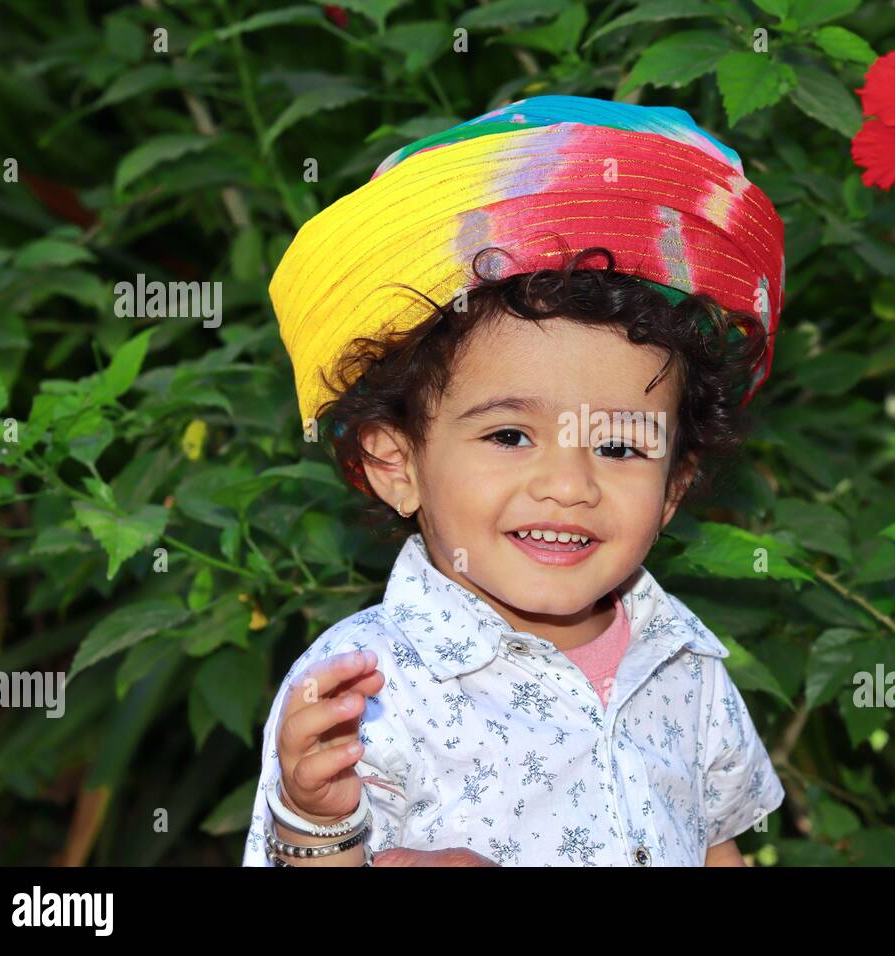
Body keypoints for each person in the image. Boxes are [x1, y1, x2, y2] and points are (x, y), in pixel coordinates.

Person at [241, 95, 787, 867]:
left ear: (673, 490)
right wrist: (317, 823)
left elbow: (713, 849)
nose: (568, 485)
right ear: (396, 464)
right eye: (509, 435)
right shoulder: (365, 688)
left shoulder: (685, 666)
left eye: (622, 447)